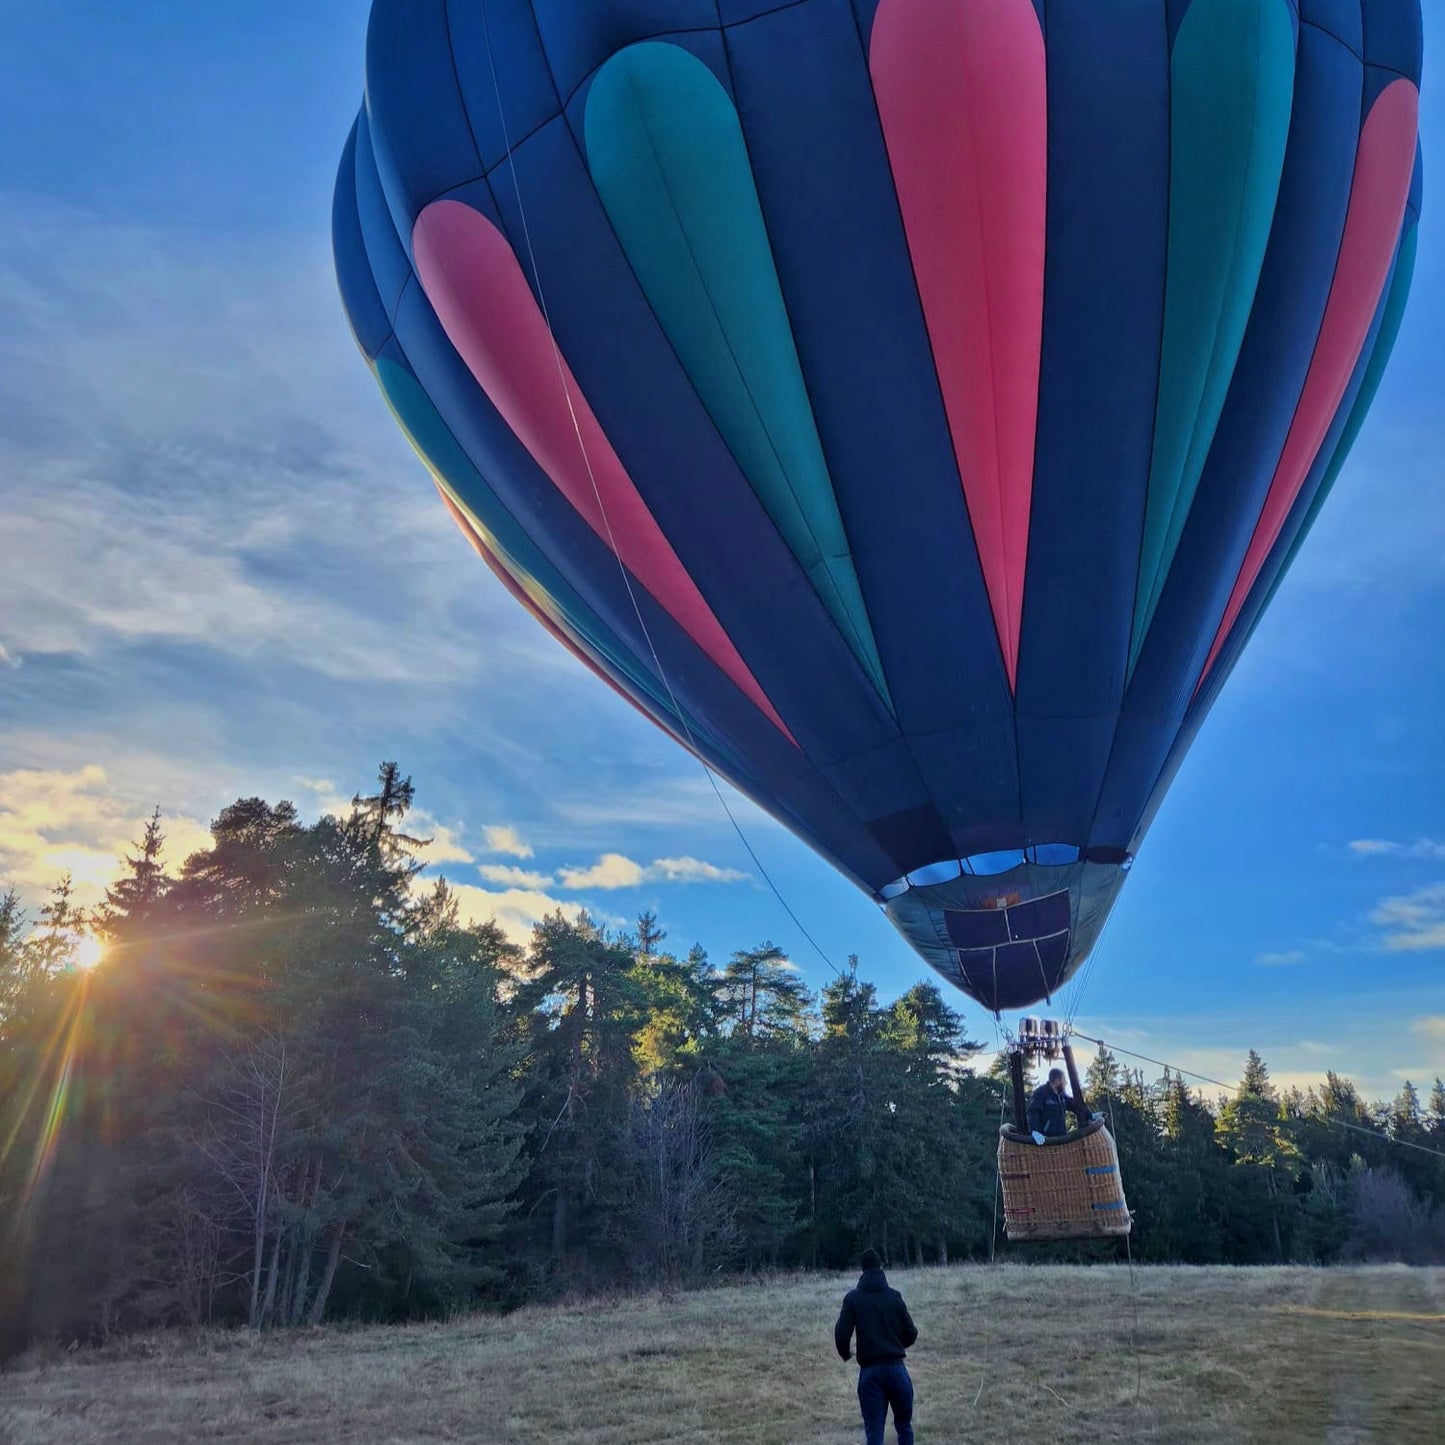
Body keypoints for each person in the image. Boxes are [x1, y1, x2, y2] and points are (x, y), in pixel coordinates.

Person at [834, 1248, 918, 1445]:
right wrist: (896, 1345)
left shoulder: (853, 1298)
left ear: (862, 1270)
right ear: (881, 1267)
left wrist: (846, 1354)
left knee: (874, 1432)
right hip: (897, 1369)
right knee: (904, 1427)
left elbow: (841, 1335)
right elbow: (911, 1333)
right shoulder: (894, 1296)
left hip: (870, 1373)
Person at [1027, 1067, 1101, 1144]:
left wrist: (1090, 1115)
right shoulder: (1041, 1093)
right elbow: (1033, 1112)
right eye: (1063, 1079)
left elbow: (1075, 1105)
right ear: (1057, 1081)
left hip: (1061, 1138)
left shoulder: (1061, 1095)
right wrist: (1035, 1131)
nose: (1065, 1083)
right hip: (1046, 1140)